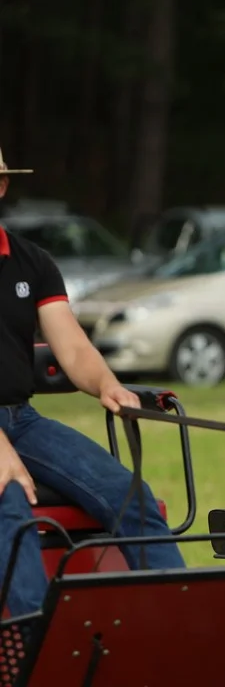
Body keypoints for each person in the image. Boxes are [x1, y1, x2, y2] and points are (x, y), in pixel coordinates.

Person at [0, 146, 185, 619]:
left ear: (1, 187)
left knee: (129, 494)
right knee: (10, 506)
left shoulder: (31, 262)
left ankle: (179, 623)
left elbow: (74, 347)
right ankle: (32, 648)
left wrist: (107, 384)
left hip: (20, 420)